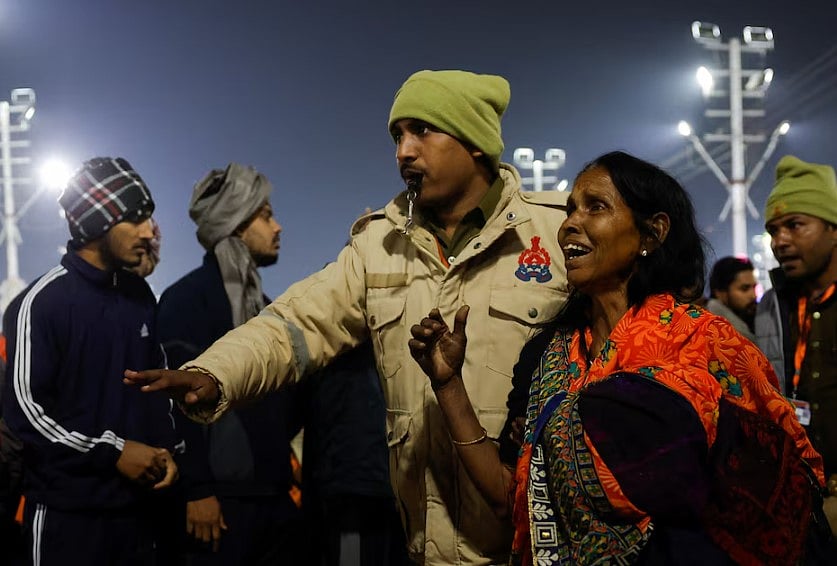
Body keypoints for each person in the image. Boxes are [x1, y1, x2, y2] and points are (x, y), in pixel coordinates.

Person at [125, 69, 570, 565]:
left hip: (537, 544)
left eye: (422, 130)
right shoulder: (378, 245)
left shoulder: (557, 233)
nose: (403, 151)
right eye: (398, 136)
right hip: (421, 547)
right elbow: (297, 323)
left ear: (476, 143)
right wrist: (215, 373)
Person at [409, 151, 828, 565]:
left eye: (596, 207)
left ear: (652, 234)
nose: (570, 224)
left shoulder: (708, 345)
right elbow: (511, 497)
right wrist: (448, 386)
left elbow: (782, 497)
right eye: (571, 209)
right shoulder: (545, 354)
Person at [3, 157, 181, 566]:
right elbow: (27, 414)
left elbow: (156, 391)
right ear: (99, 224)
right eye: (135, 218)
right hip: (68, 520)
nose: (149, 231)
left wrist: (168, 452)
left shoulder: (139, 297)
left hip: (140, 517)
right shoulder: (41, 302)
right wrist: (113, 452)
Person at [156, 163, 304, 565]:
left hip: (272, 498)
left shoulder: (267, 308)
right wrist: (197, 489)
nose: (278, 227)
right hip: (218, 506)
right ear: (237, 224)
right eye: (266, 216)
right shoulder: (187, 299)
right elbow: (174, 402)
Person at [755, 156, 837, 502]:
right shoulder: (771, 307)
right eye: (773, 230)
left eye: (795, 225)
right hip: (799, 492)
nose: (780, 241)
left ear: (833, 228)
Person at [705, 256, 758, 342]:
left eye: (754, 287)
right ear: (720, 292)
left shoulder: (753, 322)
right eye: (744, 289)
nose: (753, 295)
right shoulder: (712, 333)